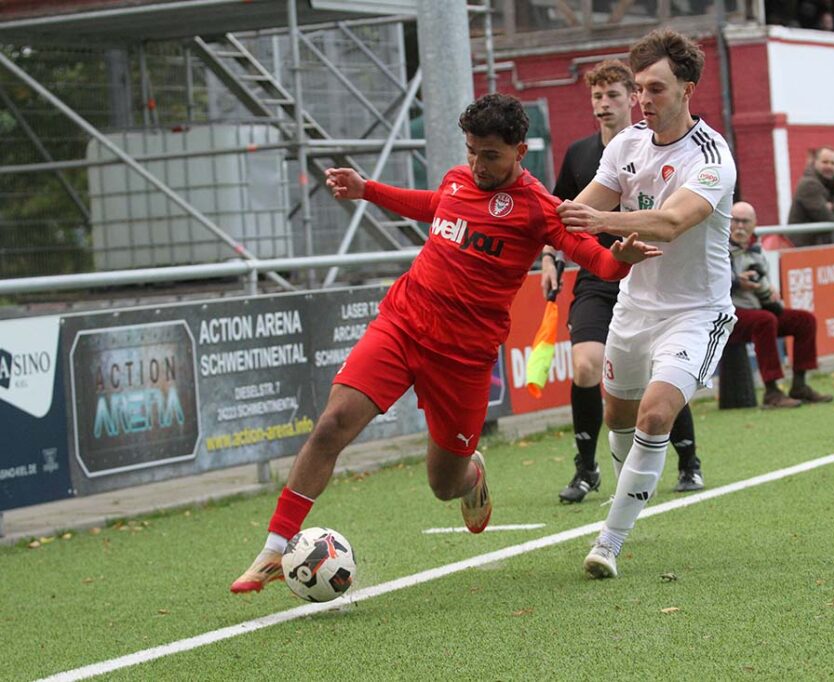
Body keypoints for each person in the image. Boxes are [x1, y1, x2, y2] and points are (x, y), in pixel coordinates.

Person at [229, 93, 661, 594]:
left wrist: (622, 256)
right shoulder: (458, 178)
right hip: (402, 324)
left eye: (491, 155)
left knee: (443, 485)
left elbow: (598, 262)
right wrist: (367, 189)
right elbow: (434, 206)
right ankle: (275, 548)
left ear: (520, 152)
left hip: (462, 360)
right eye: (472, 150)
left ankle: (472, 473)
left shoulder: (539, 210)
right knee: (332, 424)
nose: (477, 164)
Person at [556, 29, 737, 579]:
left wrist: (600, 223)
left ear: (687, 87)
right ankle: (627, 496)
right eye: (639, 89)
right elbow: (579, 210)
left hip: (695, 312)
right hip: (633, 308)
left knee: (657, 413)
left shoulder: (711, 154)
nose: (643, 100)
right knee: (618, 413)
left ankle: (609, 540)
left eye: (655, 89)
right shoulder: (626, 144)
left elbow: (673, 221)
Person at [539, 59, 705, 504]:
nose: (603, 105)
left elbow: (675, 220)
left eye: (613, 95)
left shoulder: (672, 149)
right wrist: (549, 255)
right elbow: (562, 212)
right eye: (596, 96)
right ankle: (586, 467)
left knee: (660, 374)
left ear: (633, 99)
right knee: (586, 366)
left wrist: (600, 219)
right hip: (599, 275)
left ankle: (688, 459)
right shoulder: (579, 154)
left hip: (652, 275)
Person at [728, 202, 834, 408]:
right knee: (765, 321)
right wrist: (736, 282)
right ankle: (772, 391)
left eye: (745, 221)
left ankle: (800, 385)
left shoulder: (756, 248)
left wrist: (769, 290)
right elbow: (707, 283)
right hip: (727, 314)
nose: (739, 226)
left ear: (754, 224)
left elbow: (763, 278)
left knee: (804, 320)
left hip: (756, 306)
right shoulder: (716, 247)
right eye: (735, 221)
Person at [787, 146, 834, 246]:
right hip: (803, 250)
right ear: (815, 162)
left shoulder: (828, 183)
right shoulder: (809, 185)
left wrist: (832, 207)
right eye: (825, 162)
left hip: (818, 247)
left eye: (833, 163)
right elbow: (830, 218)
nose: (829, 166)